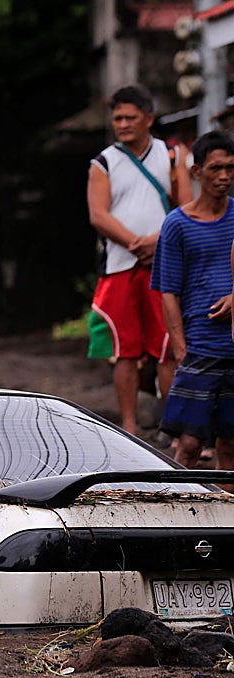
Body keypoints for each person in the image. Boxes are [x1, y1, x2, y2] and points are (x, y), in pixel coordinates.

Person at [88, 84, 191, 435]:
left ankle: (171, 425)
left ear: (149, 118)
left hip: (165, 264)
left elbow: (187, 208)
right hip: (120, 265)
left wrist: (158, 241)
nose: (123, 124)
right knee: (125, 349)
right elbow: (98, 215)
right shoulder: (103, 162)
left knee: (167, 346)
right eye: (117, 117)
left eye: (130, 117)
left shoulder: (173, 156)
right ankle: (129, 426)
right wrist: (136, 243)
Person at [151, 130, 234, 470]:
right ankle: (178, 517)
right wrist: (181, 348)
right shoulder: (176, 225)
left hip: (232, 346)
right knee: (188, 444)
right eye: (216, 168)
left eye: (230, 168)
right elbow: (168, 290)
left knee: (230, 444)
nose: (225, 176)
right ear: (197, 172)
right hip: (200, 346)